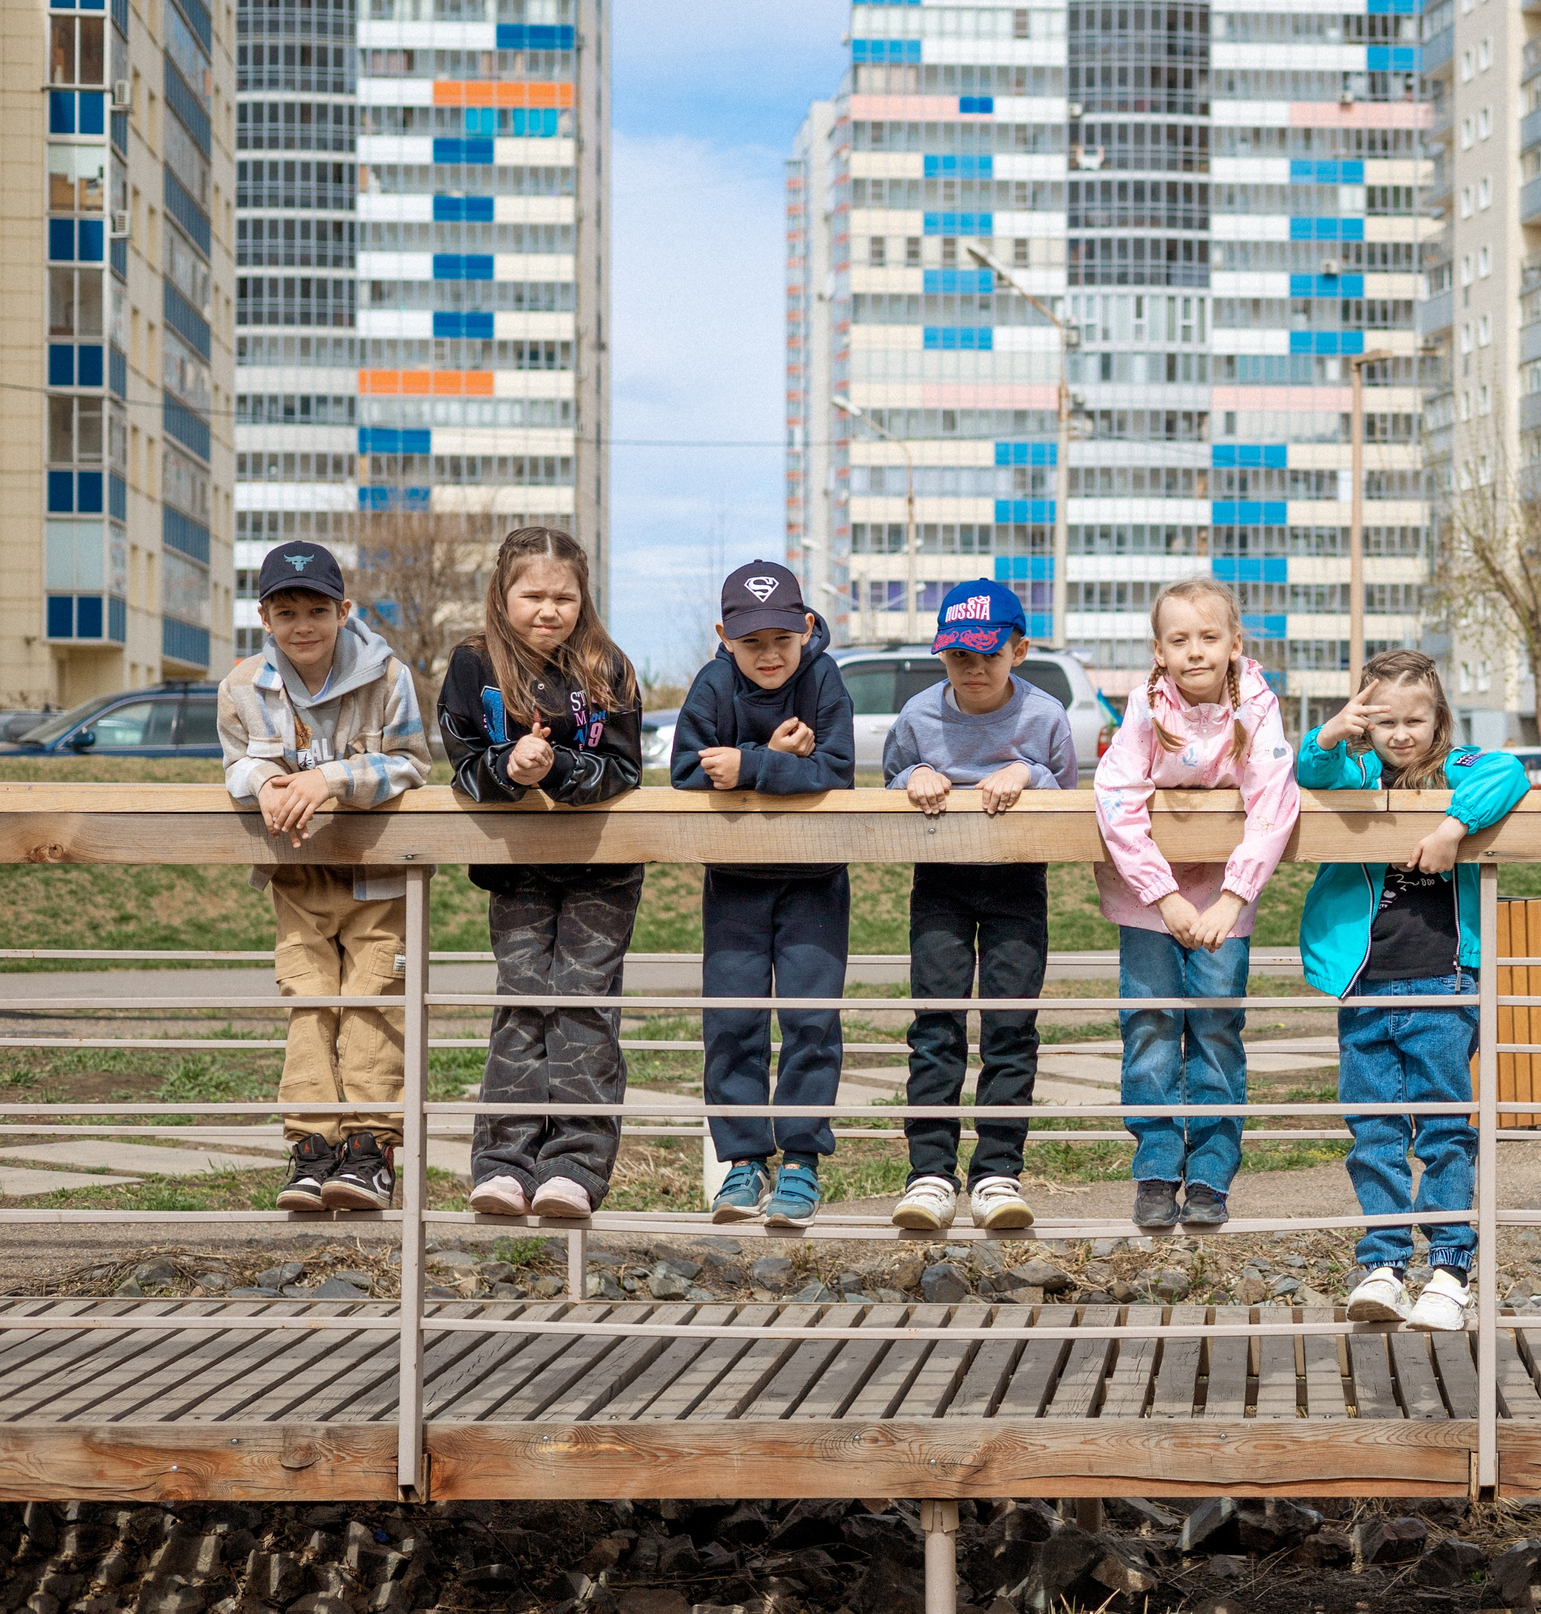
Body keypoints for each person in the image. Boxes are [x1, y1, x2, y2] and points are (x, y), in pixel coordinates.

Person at [1296, 651, 1532, 1331]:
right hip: (1365, 985)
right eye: (1385, 721)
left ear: (1439, 720)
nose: (1401, 733)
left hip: (1442, 982)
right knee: (1372, 1131)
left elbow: (1509, 772)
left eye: (1415, 719)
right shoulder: (1357, 771)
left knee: (1442, 1130)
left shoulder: (1459, 772)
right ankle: (1385, 1263)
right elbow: (1309, 770)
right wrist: (1332, 731)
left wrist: (1452, 829)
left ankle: (1450, 1269)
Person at [216, 542, 432, 1213]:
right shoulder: (241, 687)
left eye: (317, 609)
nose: (303, 624)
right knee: (309, 1004)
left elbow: (411, 765)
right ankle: (310, 1147)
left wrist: (325, 778)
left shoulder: (388, 677)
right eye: (287, 612)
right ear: (264, 617)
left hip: (378, 882)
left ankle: (369, 1151)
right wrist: (266, 780)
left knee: (372, 1006)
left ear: (345, 610)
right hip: (299, 882)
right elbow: (235, 767)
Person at [439, 526, 644, 1220]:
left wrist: (555, 767)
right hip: (517, 867)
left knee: (582, 1004)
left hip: (602, 869)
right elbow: (464, 765)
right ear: (502, 593)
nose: (549, 609)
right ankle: (504, 1164)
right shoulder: (473, 664)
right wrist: (508, 770)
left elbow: (623, 769)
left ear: (584, 598)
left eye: (564, 596)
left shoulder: (608, 665)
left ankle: (576, 1169)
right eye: (533, 594)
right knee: (522, 1003)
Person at [1093, 578, 1301, 1230]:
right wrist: (1164, 897)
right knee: (1151, 1025)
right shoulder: (1146, 708)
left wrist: (1232, 897)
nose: (1196, 652)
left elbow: (1274, 803)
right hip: (1148, 898)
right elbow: (1117, 795)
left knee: (1214, 1027)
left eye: (1209, 637)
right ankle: (1157, 1164)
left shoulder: (1257, 709)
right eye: (1179, 640)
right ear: (1158, 651)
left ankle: (1211, 1169)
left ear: (1235, 644)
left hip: (1224, 901)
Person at [883, 579, 1079, 1233]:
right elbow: (890, 778)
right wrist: (915, 777)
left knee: (1009, 1030)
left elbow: (1065, 793)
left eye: (987, 655)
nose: (973, 669)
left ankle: (997, 1172)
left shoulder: (1045, 716)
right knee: (935, 1029)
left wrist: (1027, 772)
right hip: (939, 879)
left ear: (1018, 651)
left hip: (1017, 881)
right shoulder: (917, 717)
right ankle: (929, 1176)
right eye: (958, 656)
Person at [672, 561, 857, 1227]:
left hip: (815, 881)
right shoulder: (712, 683)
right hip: (735, 883)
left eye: (783, 638)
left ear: (807, 628)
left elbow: (836, 770)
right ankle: (744, 1162)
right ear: (725, 636)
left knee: (812, 1019)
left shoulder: (825, 679)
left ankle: (803, 1163)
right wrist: (778, 761)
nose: (769, 654)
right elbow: (688, 771)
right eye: (752, 642)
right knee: (733, 1021)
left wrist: (752, 763)